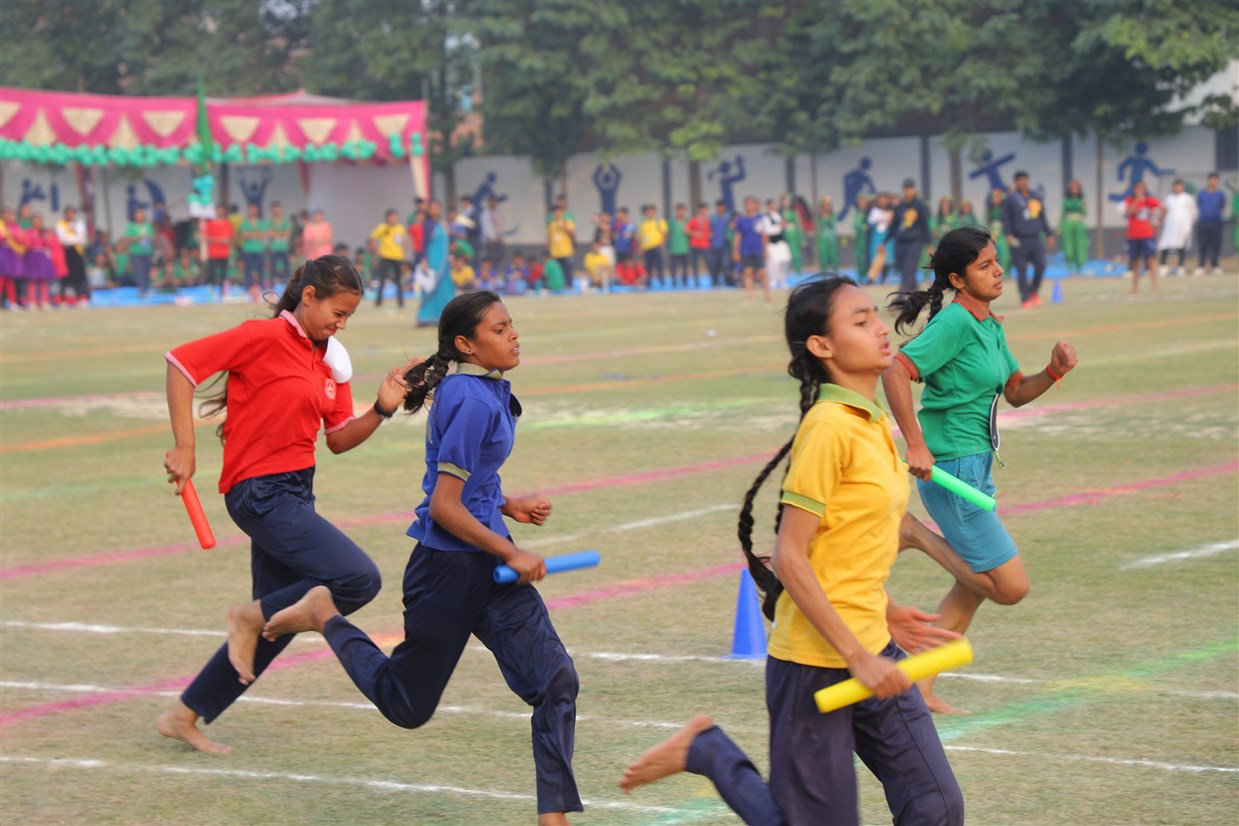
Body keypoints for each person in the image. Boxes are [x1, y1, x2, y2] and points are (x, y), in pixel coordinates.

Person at [620, 276, 965, 825]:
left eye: (875, 316)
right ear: (822, 346)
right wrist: (855, 657)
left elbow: (849, 542)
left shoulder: (873, 419)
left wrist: (884, 610)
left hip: (874, 648)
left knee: (937, 806)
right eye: (860, 321)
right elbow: (790, 556)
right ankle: (708, 750)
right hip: (814, 664)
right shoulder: (828, 428)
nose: (880, 328)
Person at [264, 290, 582, 826]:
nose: (513, 335)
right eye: (499, 329)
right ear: (466, 345)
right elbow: (444, 506)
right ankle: (323, 614)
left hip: (489, 563)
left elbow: (467, 478)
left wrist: (508, 505)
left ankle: (553, 816)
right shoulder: (471, 399)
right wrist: (511, 549)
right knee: (406, 705)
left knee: (556, 680)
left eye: (511, 325)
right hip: (448, 570)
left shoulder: (482, 387)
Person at [156, 255, 410, 753]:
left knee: (277, 621)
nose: (342, 325)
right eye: (338, 313)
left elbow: (338, 438)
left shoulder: (330, 361)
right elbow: (180, 365)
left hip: (296, 492)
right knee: (359, 578)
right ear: (309, 296)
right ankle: (245, 617)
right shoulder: (261, 337)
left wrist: (382, 408)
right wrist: (186, 447)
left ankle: (183, 715)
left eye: (349, 317)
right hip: (258, 491)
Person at [882, 225, 1078, 713]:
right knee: (1009, 586)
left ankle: (920, 686)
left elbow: (1015, 391)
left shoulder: (989, 325)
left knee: (973, 586)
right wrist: (916, 444)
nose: (998, 271)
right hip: (951, 471)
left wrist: (1053, 371)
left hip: (975, 467)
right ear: (958, 279)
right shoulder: (954, 323)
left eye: (996, 261)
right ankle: (914, 534)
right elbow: (895, 369)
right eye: (985, 266)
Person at [1002, 172, 1055, 308]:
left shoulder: (1035, 197)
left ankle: (1033, 291)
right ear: (1016, 182)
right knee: (1022, 269)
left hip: (1035, 238)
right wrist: (1008, 234)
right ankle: (1024, 298)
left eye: (1025, 180)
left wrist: (1049, 234)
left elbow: (1042, 217)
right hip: (1019, 239)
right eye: (1020, 180)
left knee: (1041, 265)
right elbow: (1006, 219)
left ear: (1028, 181)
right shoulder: (1010, 199)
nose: (1023, 182)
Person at [886, 179, 932, 294]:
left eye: (910, 188)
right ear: (903, 190)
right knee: (903, 268)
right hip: (900, 242)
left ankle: (902, 294)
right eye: (906, 189)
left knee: (909, 266)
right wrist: (884, 242)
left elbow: (925, 225)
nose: (908, 191)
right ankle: (915, 291)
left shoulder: (920, 206)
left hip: (915, 242)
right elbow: (894, 226)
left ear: (914, 189)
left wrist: (929, 243)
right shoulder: (899, 206)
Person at [416, 199, 454, 328]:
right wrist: (424, 259)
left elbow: (446, 242)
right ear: (428, 210)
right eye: (432, 207)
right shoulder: (428, 224)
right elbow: (424, 243)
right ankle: (425, 317)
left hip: (444, 262)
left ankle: (443, 318)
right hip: (433, 261)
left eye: (437, 207)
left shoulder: (442, 224)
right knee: (430, 288)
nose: (435, 209)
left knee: (445, 289)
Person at [1122, 179, 1162, 295]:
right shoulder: (1130, 200)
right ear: (1134, 189)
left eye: (1142, 188)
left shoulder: (1149, 200)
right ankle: (1135, 288)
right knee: (1135, 262)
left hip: (1147, 235)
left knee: (1151, 260)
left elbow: (1162, 209)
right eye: (1138, 188)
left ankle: (1154, 287)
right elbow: (1129, 212)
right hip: (1134, 235)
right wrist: (1137, 200)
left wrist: (1156, 221)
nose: (1140, 190)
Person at [733, 197, 770, 303]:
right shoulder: (741, 220)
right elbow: (738, 236)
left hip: (758, 249)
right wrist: (736, 250)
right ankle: (750, 297)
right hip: (745, 250)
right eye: (747, 204)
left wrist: (765, 249)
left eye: (751, 203)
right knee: (747, 273)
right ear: (744, 206)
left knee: (762, 273)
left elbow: (764, 235)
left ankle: (768, 296)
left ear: (755, 205)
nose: (749, 206)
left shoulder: (760, 219)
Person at [370, 208, 409, 308]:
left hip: (397, 257)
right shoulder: (383, 227)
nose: (394, 219)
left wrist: (404, 253)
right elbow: (373, 237)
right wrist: (376, 251)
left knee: (399, 280)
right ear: (387, 218)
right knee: (382, 279)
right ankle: (378, 302)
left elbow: (404, 241)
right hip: (385, 256)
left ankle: (401, 302)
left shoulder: (400, 228)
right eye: (392, 217)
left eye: (395, 217)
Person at [1157, 179, 1195, 277]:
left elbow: (1193, 212)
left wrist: (1189, 224)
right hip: (1169, 226)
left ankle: (1180, 267)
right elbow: (1163, 211)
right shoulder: (1169, 198)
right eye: (1176, 186)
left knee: (1181, 246)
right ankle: (1163, 266)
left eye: (1179, 186)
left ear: (1183, 187)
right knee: (1165, 246)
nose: (1177, 188)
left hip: (1183, 226)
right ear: (1173, 187)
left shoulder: (1188, 198)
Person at [56, 205, 90, 306]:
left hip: (77, 252)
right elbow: (62, 239)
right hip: (66, 252)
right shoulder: (60, 224)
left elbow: (81, 238)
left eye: (72, 213)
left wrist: (70, 238)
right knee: (65, 276)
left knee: (80, 276)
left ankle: (82, 298)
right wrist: (74, 238)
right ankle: (63, 299)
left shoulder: (79, 223)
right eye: (68, 213)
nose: (70, 215)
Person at [1194, 173, 1225, 276]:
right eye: (1211, 180)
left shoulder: (1220, 194)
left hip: (1216, 223)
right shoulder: (1201, 194)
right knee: (1203, 244)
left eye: (1215, 180)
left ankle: (1215, 266)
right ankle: (1201, 266)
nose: (1213, 182)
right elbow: (1198, 205)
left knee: (1216, 244)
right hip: (1203, 223)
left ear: (1217, 182)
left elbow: (1222, 206)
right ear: (1208, 181)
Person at [759, 198, 791, 290]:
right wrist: (779, 227)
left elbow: (785, 227)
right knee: (773, 263)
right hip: (771, 243)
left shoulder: (780, 215)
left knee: (785, 260)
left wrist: (784, 225)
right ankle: (773, 281)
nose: (774, 206)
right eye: (772, 204)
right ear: (769, 206)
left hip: (781, 242)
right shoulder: (766, 217)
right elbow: (767, 230)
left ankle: (783, 280)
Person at [239, 203, 269, 298]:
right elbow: (244, 235)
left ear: (257, 211)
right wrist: (256, 234)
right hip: (248, 249)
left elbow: (263, 235)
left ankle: (261, 287)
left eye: (254, 210)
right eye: (251, 210)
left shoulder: (261, 223)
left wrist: (251, 234)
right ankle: (247, 288)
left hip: (259, 249)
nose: (252, 212)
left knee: (260, 269)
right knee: (247, 269)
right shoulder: (245, 223)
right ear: (248, 211)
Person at [1060, 180, 1089, 276]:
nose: (1074, 188)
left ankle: (1079, 271)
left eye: (1076, 186)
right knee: (1068, 249)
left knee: (1080, 248)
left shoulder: (1081, 201)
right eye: (1072, 186)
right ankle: (1070, 271)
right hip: (1068, 225)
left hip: (1079, 225)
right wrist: (1060, 226)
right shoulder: (1066, 201)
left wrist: (1084, 207)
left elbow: (1085, 213)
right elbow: (1063, 214)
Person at [203, 204, 234, 293]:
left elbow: (229, 239)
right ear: (216, 211)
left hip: (224, 254)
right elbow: (207, 238)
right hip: (213, 253)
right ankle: (211, 291)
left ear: (224, 212)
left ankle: (223, 291)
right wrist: (220, 240)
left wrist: (220, 240)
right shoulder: (210, 224)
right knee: (211, 273)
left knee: (224, 274)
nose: (220, 212)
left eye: (222, 210)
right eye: (219, 210)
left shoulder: (228, 224)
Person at [1, 206, 27, 310]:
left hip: (11, 254)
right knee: (1, 278)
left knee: (10, 279)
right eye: (6, 214)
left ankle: (12, 302)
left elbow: (21, 238)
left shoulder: (16, 227)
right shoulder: (1, 225)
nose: (8, 216)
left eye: (11, 214)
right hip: (2, 252)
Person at [127, 206, 156, 297]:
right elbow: (128, 239)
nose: (140, 216)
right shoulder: (131, 226)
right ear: (135, 216)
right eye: (138, 214)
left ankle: (147, 289)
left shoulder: (148, 226)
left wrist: (148, 238)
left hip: (147, 252)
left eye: (142, 214)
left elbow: (153, 237)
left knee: (147, 271)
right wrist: (139, 238)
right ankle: (142, 291)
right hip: (136, 252)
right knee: (140, 272)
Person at [637, 204, 667, 286]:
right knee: (648, 266)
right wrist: (641, 247)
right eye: (648, 211)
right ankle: (648, 283)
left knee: (659, 265)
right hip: (647, 247)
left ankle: (661, 282)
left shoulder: (659, 221)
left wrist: (662, 244)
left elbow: (665, 233)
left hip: (656, 246)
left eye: (651, 211)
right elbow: (641, 235)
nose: (649, 213)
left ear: (654, 212)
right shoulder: (643, 222)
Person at [546, 203, 576, 287]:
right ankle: (559, 286)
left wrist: (564, 227)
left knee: (567, 271)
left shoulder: (567, 221)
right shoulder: (551, 224)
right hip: (555, 253)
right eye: (554, 212)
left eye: (558, 211)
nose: (556, 213)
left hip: (566, 251)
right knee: (557, 273)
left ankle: (569, 286)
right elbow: (549, 238)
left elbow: (573, 233)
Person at [267, 201, 293, 285]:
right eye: (274, 209)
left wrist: (276, 233)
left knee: (286, 267)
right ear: (272, 210)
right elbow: (269, 233)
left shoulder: (286, 221)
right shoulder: (270, 222)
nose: (276, 211)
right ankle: (272, 285)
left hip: (284, 247)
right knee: (273, 268)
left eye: (278, 209)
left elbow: (288, 233)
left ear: (281, 209)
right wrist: (282, 233)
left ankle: (287, 285)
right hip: (274, 248)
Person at [686, 202, 712, 284]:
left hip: (705, 245)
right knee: (695, 264)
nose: (703, 211)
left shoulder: (708, 220)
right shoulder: (695, 220)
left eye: (705, 209)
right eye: (702, 210)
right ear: (699, 210)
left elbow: (711, 231)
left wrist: (710, 235)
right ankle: (696, 281)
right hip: (695, 244)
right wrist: (695, 233)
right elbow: (686, 230)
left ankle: (713, 280)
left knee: (709, 262)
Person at [708, 200, 731, 287]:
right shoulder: (712, 218)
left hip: (725, 245)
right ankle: (715, 281)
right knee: (715, 265)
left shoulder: (728, 217)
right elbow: (709, 230)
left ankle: (727, 280)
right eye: (719, 207)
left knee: (725, 264)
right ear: (717, 208)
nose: (721, 208)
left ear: (725, 207)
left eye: (722, 207)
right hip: (714, 245)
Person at [667, 202, 690, 288]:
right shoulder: (672, 221)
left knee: (685, 267)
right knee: (674, 267)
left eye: (682, 211)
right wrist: (668, 245)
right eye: (679, 211)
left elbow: (691, 233)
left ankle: (685, 282)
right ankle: (674, 282)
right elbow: (668, 233)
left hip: (685, 248)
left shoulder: (687, 221)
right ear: (676, 211)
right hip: (674, 248)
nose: (681, 212)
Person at [851, 194, 872, 281]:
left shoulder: (869, 212)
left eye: (864, 202)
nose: (862, 204)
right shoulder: (858, 213)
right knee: (860, 257)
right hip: (860, 239)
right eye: (861, 202)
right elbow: (855, 224)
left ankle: (868, 275)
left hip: (868, 239)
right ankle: (861, 276)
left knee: (868, 257)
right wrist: (862, 226)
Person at [815, 195, 839, 272]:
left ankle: (835, 273)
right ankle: (823, 274)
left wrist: (826, 219)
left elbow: (832, 223)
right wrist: (822, 216)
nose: (827, 206)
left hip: (831, 239)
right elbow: (819, 224)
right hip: (823, 239)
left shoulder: (832, 215)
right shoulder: (819, 216)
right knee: (823, 257)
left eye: (828, 204)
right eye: (825, 204)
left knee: (834, 257)